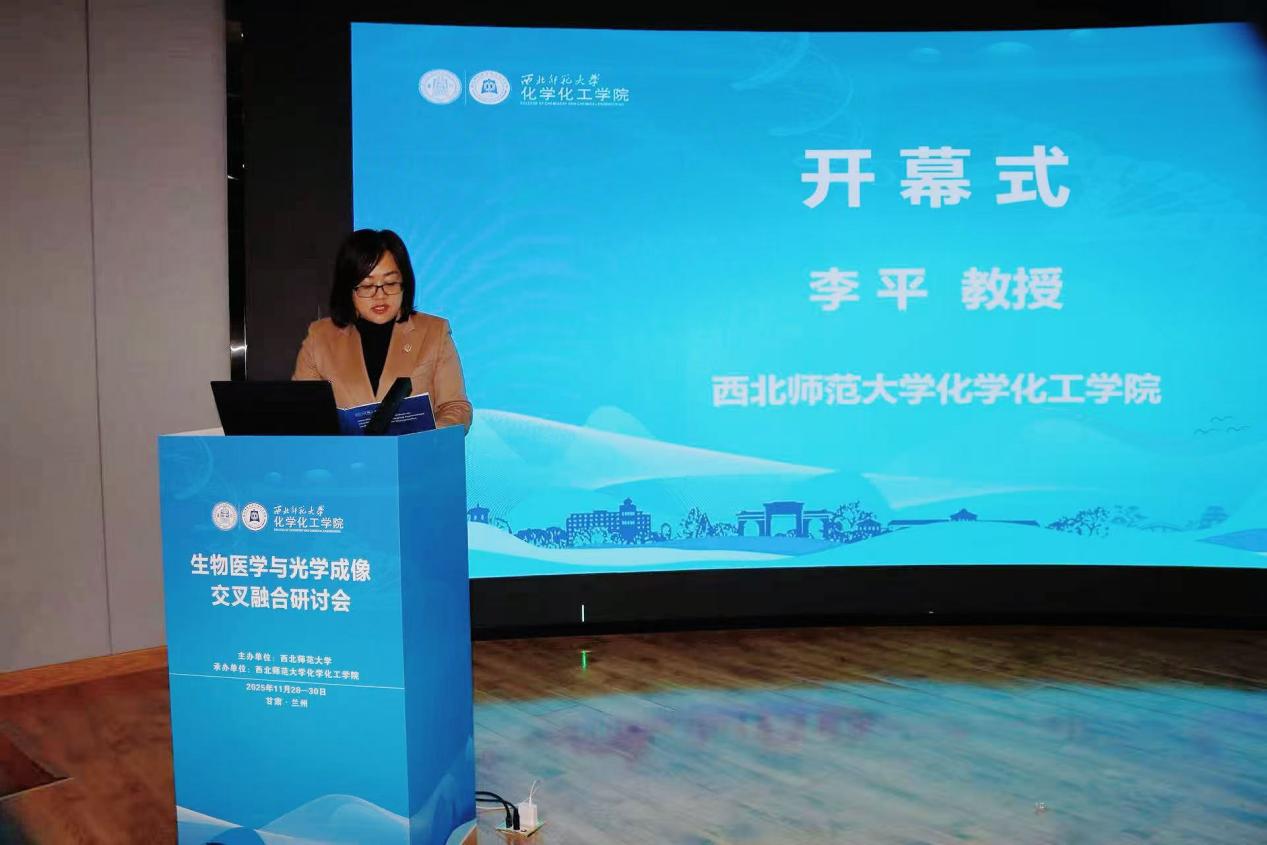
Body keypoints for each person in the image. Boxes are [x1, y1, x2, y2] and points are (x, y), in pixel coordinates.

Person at [292, 229, 472, 431]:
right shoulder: (319, 338)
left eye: (390, 283)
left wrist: (423, 438)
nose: (380, 295)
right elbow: (301, 414)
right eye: (367, 285)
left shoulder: (435, 332)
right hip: (344, 452)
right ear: (348, 289)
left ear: (405, 283)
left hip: (414, 450)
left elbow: (456, 408)